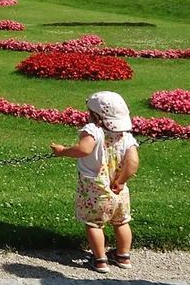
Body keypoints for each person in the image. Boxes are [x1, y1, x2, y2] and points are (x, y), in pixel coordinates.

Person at [50, 91, 140, 273]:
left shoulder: (93, 130)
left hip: (94, 190)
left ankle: (100, 260)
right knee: (121, 222)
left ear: (96, 115)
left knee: (94, 224)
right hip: (118, 189)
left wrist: (63, 151)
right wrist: (122, 180)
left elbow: (84, 149)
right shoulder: (126, 137)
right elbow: (133, 162)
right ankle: (123, 256)